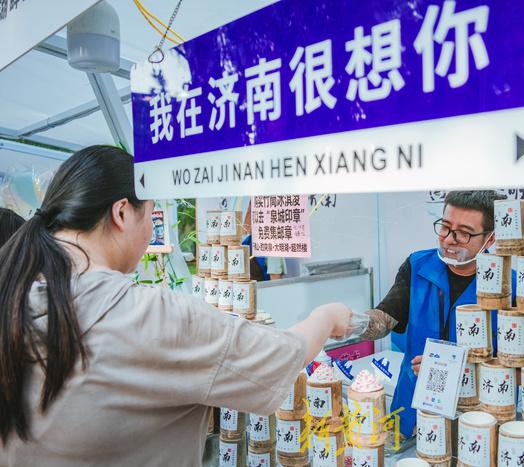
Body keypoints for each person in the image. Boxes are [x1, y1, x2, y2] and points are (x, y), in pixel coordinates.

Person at [0, 146, 351, 466]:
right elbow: (282, 354)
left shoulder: (13, 290)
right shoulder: (147, 314)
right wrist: (325, 317)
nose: (151, 233)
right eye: (151, 218)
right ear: (122, 212)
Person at [357, 190, 516, 438]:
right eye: (444, 227)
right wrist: (352, 324)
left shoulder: (509, 286)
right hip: (412, 408)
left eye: (464, 233)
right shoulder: (418, 265)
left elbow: (522, 369)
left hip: (476, 417)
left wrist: (452, 370)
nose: (449, 239)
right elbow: (385, 316)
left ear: (490, 238)